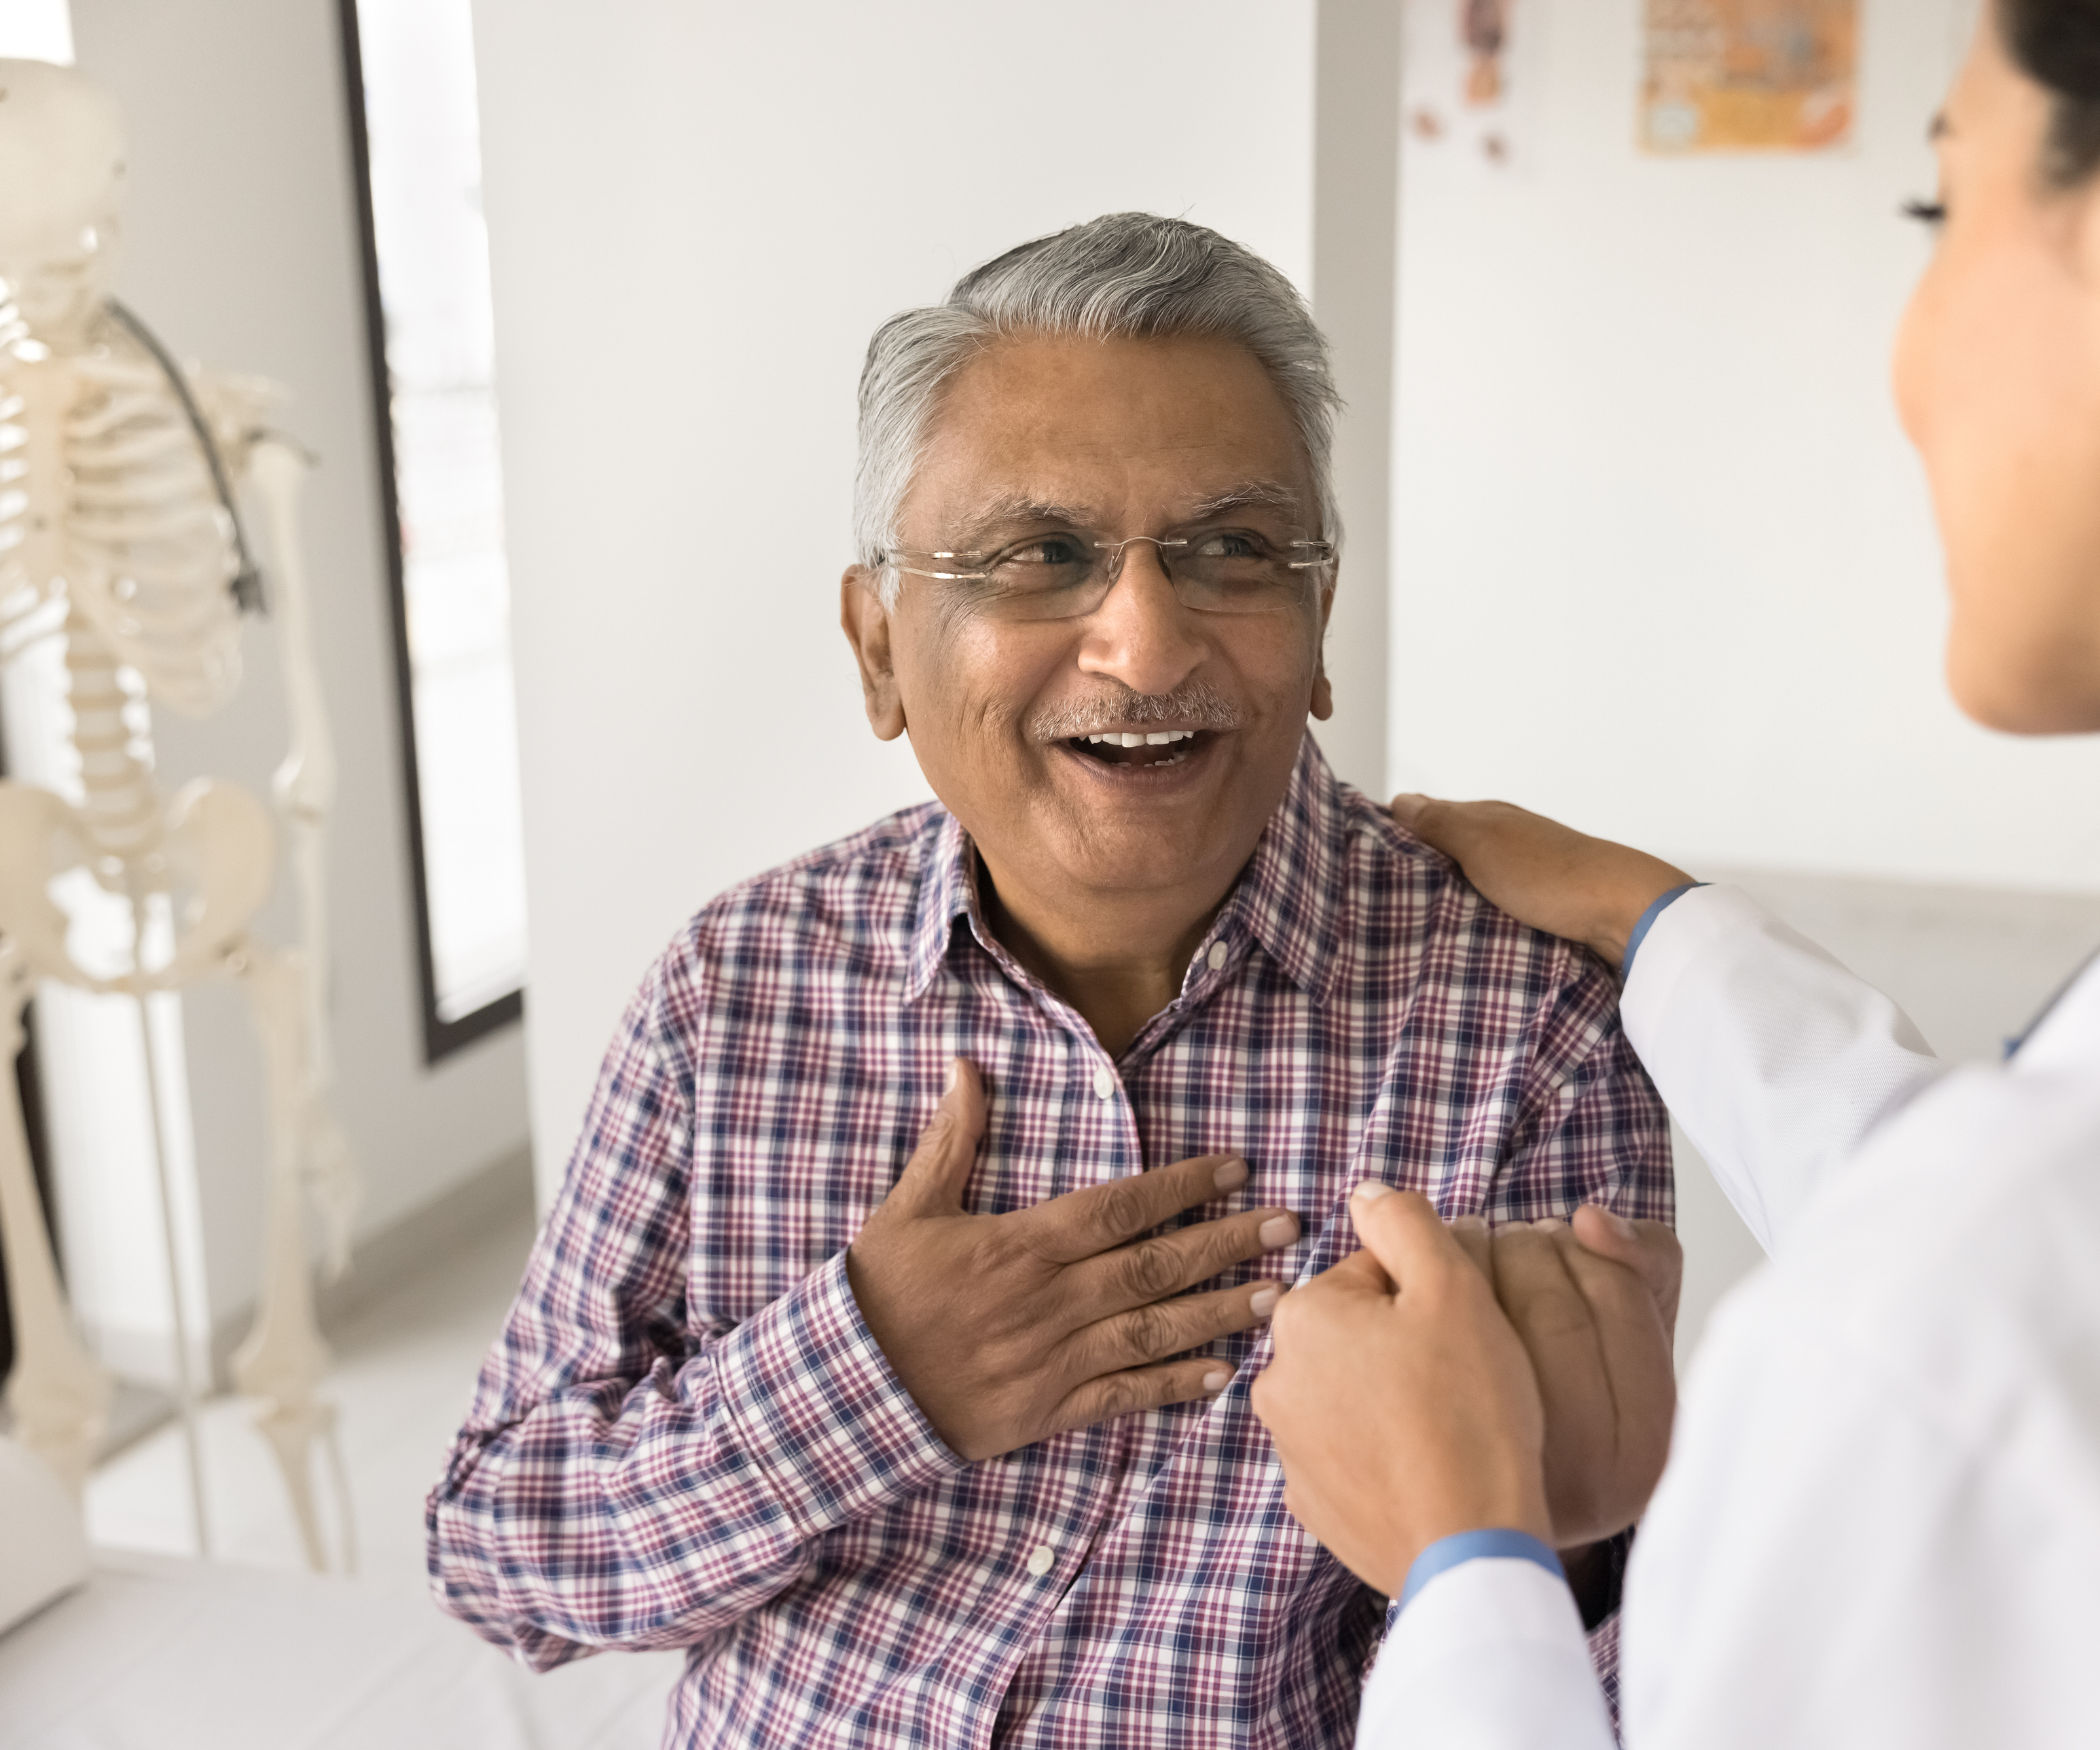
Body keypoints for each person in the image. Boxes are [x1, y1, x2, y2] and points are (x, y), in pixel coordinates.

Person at [1252, 2, 2100, 1745]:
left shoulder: (1973, 1344)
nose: (1906, 355)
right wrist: (1664, 924)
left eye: (1938, 210)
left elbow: (1997, 1328)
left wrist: (1465, 1555)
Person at [426, 215, 1673, 1748]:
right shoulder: (736, 988)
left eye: (1232, 550)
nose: (1145, 644)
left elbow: (1584, 1675)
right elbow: (500, 1555)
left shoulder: (1528, 1032)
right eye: (1040, 556)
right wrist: (868, 1376)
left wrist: (1591, 1559)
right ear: (880, 646)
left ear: (1322, 622)